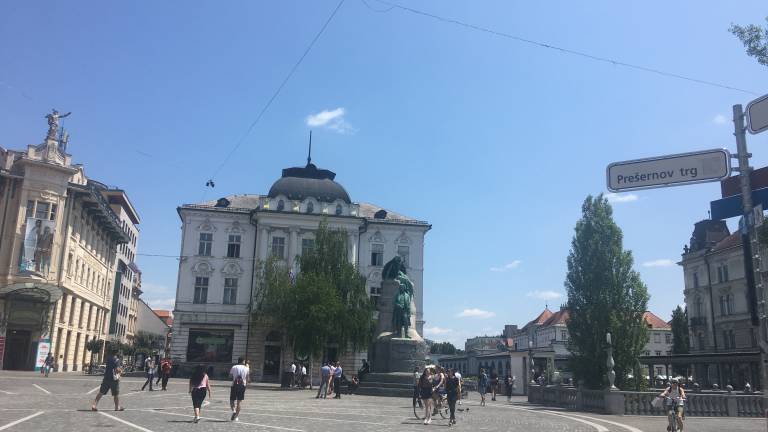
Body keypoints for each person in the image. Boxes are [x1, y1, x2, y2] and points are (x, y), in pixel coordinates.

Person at [229, 357, 249, 422]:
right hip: (242, 386)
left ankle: (234, 411)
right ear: (243, 361)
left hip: (234, 385)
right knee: (239, 402)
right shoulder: (246, 368)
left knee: (232, 400)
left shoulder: (234, 367)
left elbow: (230, 376)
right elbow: (247, 378)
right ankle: (236, 416)